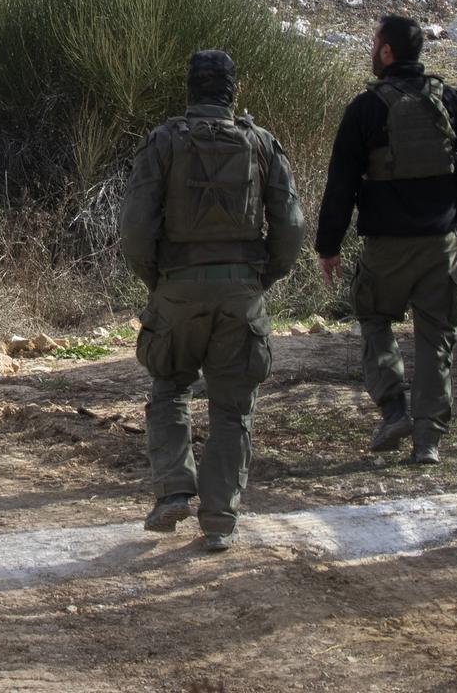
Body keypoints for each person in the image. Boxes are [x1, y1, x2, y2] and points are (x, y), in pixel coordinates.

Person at [120, 50, 305, 552]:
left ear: (190, 90)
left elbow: (136, 228)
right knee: (233, 407)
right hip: (241, 289)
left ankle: (173, 491)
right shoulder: (261, 143)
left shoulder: (163, 142)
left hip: (176, 286)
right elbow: (290, 226)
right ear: (233, 91)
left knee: (168, 387)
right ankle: (220, 520)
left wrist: (157, 281)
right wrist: (260, 278)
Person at [316, 15, 457, 465]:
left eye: (374, 42)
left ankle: (393, 407)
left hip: (386, 245)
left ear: (387, 51)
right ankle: (428, 441)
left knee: (373, 315)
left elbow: (342, 183)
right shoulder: (449, 99)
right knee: (436, 338)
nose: (372, 49)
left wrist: (328, 246)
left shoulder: (366, 108)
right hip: (440, 242)